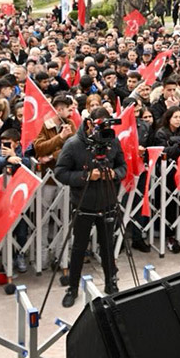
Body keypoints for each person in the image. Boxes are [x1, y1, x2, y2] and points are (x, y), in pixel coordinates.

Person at [55, 108, 127, 308]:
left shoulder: (112, 141)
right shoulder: (73, 144)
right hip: (83, 204)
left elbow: (123, 167)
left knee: (107, 246)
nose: (104, 130)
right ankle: (73, 288)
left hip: (108, 201)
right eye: (100, 126)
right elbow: (60, 173)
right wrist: (86, 176)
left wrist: (114, 174)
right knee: (79, 248)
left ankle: (111, 282)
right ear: (89, 124)